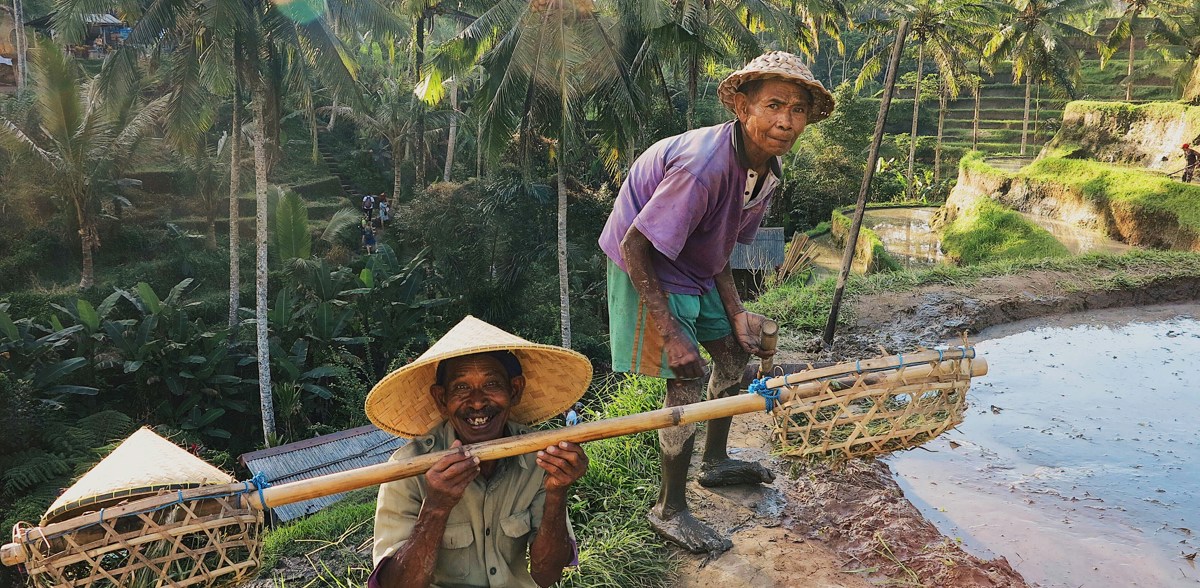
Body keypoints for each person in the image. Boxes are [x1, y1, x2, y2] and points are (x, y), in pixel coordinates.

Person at [597, 51, 834, 554]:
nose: (785, 120)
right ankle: (670, 508)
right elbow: (635, 245)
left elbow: (720, 244)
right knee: (684, 379)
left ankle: (715, 461)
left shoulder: (766, 172)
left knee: (732, 353)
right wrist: (672, 331)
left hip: (693, 262)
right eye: (773, 105)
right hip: (649, 265)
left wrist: (736, 314)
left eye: (797, 110)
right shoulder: (704, 167)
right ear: (743, 107)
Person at [366, 315, 592, 588]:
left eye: (492, 385)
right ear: (441, 398)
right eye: (461, 387)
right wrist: (436, 509)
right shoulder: (407, 468)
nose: (477, 402)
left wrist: (557, 492)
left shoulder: (539, 457)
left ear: (515, 390)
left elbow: (547, 574)